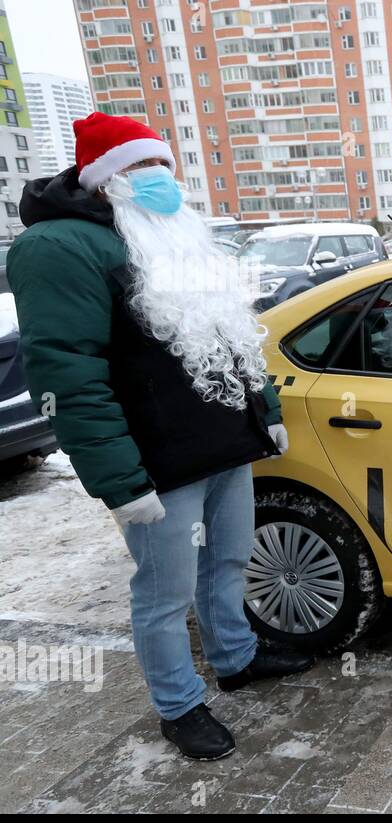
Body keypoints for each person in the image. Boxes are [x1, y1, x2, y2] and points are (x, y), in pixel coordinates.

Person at [8, 113, 313, 760]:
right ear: (105, 180)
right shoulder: (60, 247)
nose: (159, 182)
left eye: (163, 168)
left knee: (228, 561)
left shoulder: (173, 236)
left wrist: (267, 409)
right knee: (163, 593)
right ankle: (178, 704)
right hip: (158, 463)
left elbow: (232, 334)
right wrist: (120, 482)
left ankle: (236, 656)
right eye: (141, 170)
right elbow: (68, 371)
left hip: (225, 443)